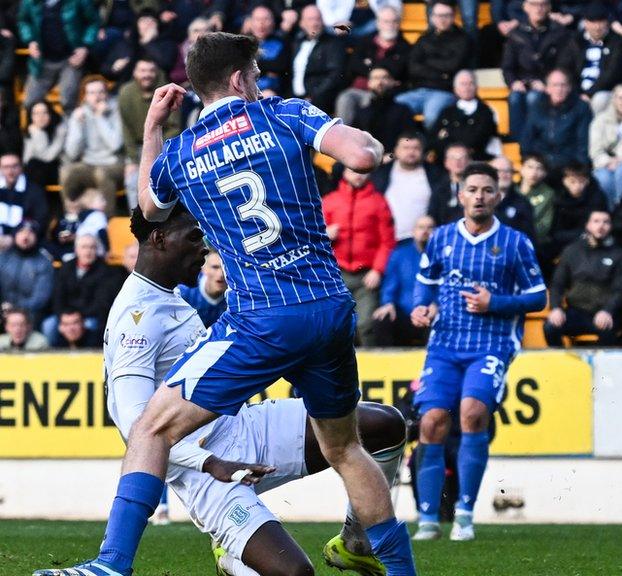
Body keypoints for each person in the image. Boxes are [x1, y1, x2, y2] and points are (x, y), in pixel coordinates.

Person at [34, 31, 417, 576]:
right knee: (346, 449)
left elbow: (148, 203)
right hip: (330, 306)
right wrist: (373, 144)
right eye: (256, 73)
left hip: (263, 314)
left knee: (151, 429)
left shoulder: (185, 150)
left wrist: (150, 130)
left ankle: (111, 564)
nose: (259, 81)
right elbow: (361, 157)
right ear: (240, 78)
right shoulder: (285, 113)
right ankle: (399, 569)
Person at [99, 206, 410, 576]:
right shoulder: (136, 315)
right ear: (159, 239)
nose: (204, 248)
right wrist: (210, 463)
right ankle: (233, 559)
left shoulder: (168, 297)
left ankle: (356, 543)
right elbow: (135, 426)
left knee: (385, 426)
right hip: (203, 470)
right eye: (195, 236)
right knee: (296, 573)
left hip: (242, 426)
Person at [410, 162, 547, 540]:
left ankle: (465, 515)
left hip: (492, 343)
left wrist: (495, 303)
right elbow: (425, 282)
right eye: (472, 189)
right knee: (431, 421)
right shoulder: (440, 237)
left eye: (487, 190)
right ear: (460, 195)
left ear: (498, 196)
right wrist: (421, 306)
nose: (480, 197)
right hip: (445, 342)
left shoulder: (517, 243)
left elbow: (538, 297)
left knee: (472, 413)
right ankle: (428, 519)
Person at [323, 167, 397, 346]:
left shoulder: (379, 202)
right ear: (344, 173)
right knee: (334, 326)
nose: (358, 174)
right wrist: (325, 234)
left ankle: (368, 371)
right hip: (336, 274)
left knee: (366, 324)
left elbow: (387, 241)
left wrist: (378, 270)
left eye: (362, 171)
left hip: (366, 275)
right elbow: (312, 238)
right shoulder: (330, 201)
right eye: (352, 170)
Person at [544, 209, 622, 347]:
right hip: (576, 311)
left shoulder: (618, 254)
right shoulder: (571, 251)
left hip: (604, 312)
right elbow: (557, 284)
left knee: (608, 330)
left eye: (606, 222)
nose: (601, 226)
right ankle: (563, 364)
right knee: (550, 327)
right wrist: (556, 308)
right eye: (596, 221)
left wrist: (607, 311)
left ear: (610, 227)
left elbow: (620, 289)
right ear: (588, 225)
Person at [396, 0, 471, 130]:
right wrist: (441, 72)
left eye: (446, 15)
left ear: (453, 16)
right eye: (438, 15)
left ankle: (430, 149)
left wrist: (426, 62)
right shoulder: (424, 38)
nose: (442, 20)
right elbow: (413, 67)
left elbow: (452, 66)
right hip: (418, 91)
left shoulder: (463, 39)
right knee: (394, 108)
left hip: (443, 92)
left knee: (431, 116)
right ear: (432, 17)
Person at [502, 0, 570, 141]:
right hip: (522, 82)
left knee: (534, 97)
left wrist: (547, 83)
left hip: (547, 83)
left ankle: (535, 140)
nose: (538, 8)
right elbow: (507, 66)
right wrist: (513, 82)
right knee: (514, 98)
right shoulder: (515, 33)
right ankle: (518, 143)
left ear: (549, 7)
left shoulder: (559, 32)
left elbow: (563, 65)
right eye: (534, 4)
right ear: (525, 7)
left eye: (543, 4)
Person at [120, 59, 183, 211]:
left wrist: (157, 150)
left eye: (150, 70)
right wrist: (133, 159)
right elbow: (126, 129)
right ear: (135, 73)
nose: (147, 75)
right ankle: (137, 222)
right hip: (137, 148)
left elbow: (175, 127)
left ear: (157, 73)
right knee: (131, 179)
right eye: (142, 70)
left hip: (165, 147)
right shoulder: (126, 93)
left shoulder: (167, 92)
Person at [17, 0, 100, 112]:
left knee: (68, 101)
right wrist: (30, 40)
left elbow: (93, 22)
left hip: (71, 60)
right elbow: (23, 21)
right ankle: (50, 124)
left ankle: (70, 128)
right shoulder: (30, 2)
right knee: (30, 102)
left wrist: (84, 47)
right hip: (41, 61)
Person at [334, 6, 409, 124]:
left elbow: (398, 71)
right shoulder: (365, 42)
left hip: (383, 93)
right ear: (378, 23)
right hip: (357, 90)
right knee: (345, 98)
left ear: (399, 24)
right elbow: (354, 66)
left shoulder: (405, 47)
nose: (390, 25)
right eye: (386, 21)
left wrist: (369, 66)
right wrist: (382, 70)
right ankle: (342, 138)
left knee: (371, 104)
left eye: (394, 21)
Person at [44, 233, 122, 345]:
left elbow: (102, 303)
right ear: (76, 250)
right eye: (84, 247)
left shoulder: (106, 271)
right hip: (66, 316)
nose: (88, 251)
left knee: (92, 325)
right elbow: (57, 296)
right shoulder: (66, 267)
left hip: (90, 316)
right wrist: (64, 316)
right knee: (49, 325)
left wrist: (78, 318)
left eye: (92, 247)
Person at [61, 76, 124, 212]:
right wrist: (77, 124)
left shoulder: (116, 110)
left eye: (101, 92)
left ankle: (106, 220)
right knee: (66, 172)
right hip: (89, 163)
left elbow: (115, 145)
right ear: (85, 96)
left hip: (114, 162)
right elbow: (72, 153)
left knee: (101, 173)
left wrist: (99, 117)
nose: (97, 96)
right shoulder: (79, 114)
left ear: (106, 94)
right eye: (92, 93)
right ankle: (71, 218)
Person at [373, 215, 435, 347]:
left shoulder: (443, 256)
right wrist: (388, 303)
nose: (425, 231)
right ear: (413, 231)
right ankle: (385, 364)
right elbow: (390, 285)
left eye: (430, 227)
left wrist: (437, 306)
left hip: (430, 314)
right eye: (421, 227)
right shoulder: (399, 254)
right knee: (382, 319)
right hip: (404, 314)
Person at [371, 132, 444, 242]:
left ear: (422, 151)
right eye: (406, 148)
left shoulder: (436, 175)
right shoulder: (381, 173)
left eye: (416, 148)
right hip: (386, 240)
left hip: (422, 241)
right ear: (396, 150)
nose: (411, 152)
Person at [557, 2, 622, 115]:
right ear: (585, 23)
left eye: (601, 22)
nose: (597, 27)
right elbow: (565, 69)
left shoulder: (617, 42)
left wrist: (590, 93)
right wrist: (578, 93)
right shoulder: (575, 41)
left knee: (600, 100)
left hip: (604, 91)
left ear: (607, 22)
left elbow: (612, 73)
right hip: (577, 91)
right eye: (593, 22)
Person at [519, 68, 592, 173]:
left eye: (563, 85)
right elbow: (527, 138)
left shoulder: (581, 107)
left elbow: (583, 142)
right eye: (555, 85)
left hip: (568, 163)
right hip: (541, 163)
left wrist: (579, 169)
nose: (559, 89)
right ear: (547, 88)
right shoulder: (537, 107)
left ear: (569, 88)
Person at [430, 71, 499, 161]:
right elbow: (434, 138)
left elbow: (479, 138)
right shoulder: (446, 112)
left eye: (470, 83)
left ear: (476, 87)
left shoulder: (486, 111)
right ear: (455, 89)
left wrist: (450, 135)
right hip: (447, 161)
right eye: (463, 84)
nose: (467, 87)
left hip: (478, 160)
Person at [290, 4, 346, 114]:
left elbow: (334, 75)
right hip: (294, 100)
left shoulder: (333, 43)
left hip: (318, 102)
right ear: (301, 23)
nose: (314, 23)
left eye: (318, 19)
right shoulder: (297, 42)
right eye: (310, 19)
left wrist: (314, 96)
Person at [350, 67, 417, 153]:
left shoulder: (403, 110)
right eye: (376, 78)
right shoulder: (361, 112)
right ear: (369, 83)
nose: (380, 82)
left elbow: (410, 138)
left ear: (393, 82)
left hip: (395, 159)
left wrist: (393, 156)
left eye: (385, 77)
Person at [0, 221, 54, 324]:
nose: (26, 236)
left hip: (30, 315)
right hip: (3, 310)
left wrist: (15, 309)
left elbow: (40, 299)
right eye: (21, 231)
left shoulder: (44, 263)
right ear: (15, 235)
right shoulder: (3, 258)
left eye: (31, 232)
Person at [0, 153, 48, 249]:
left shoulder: (34, 191)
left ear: (21, 168)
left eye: (14, 166)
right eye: (6, 167)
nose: (10, 171)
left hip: (23, 244)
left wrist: (14, 237)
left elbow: (40, 219)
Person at [176, 248, 228, 328]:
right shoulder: (181, 294)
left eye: (225, 268)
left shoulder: (234, 302)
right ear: (204, 268)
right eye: (215, 267)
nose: (221, 274)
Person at [22, 101, 67, 190]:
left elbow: (48, 157)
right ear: (31, 117)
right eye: (36, 113)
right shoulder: (31, 131)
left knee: (34, 166)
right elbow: (26, 160)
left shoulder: (60, 129)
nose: (40, 117)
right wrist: (38, 133)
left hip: (59, 168)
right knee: (33, 166)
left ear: (50, 114)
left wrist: (38, 133)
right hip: (38, 172)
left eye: (44, 112)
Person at [490, 156, 536, 240]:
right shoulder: (479, 200)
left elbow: (528, 239)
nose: (503, 175)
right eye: (498, 171)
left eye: (508, 171)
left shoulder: (523, 204)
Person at [428, 143, 472, 226]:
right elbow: (432, 214)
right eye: (453, 158)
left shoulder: (476, 187)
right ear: (446, 162)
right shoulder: (439, 188)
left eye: (462, 158)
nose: (457, 162)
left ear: (469, 161)